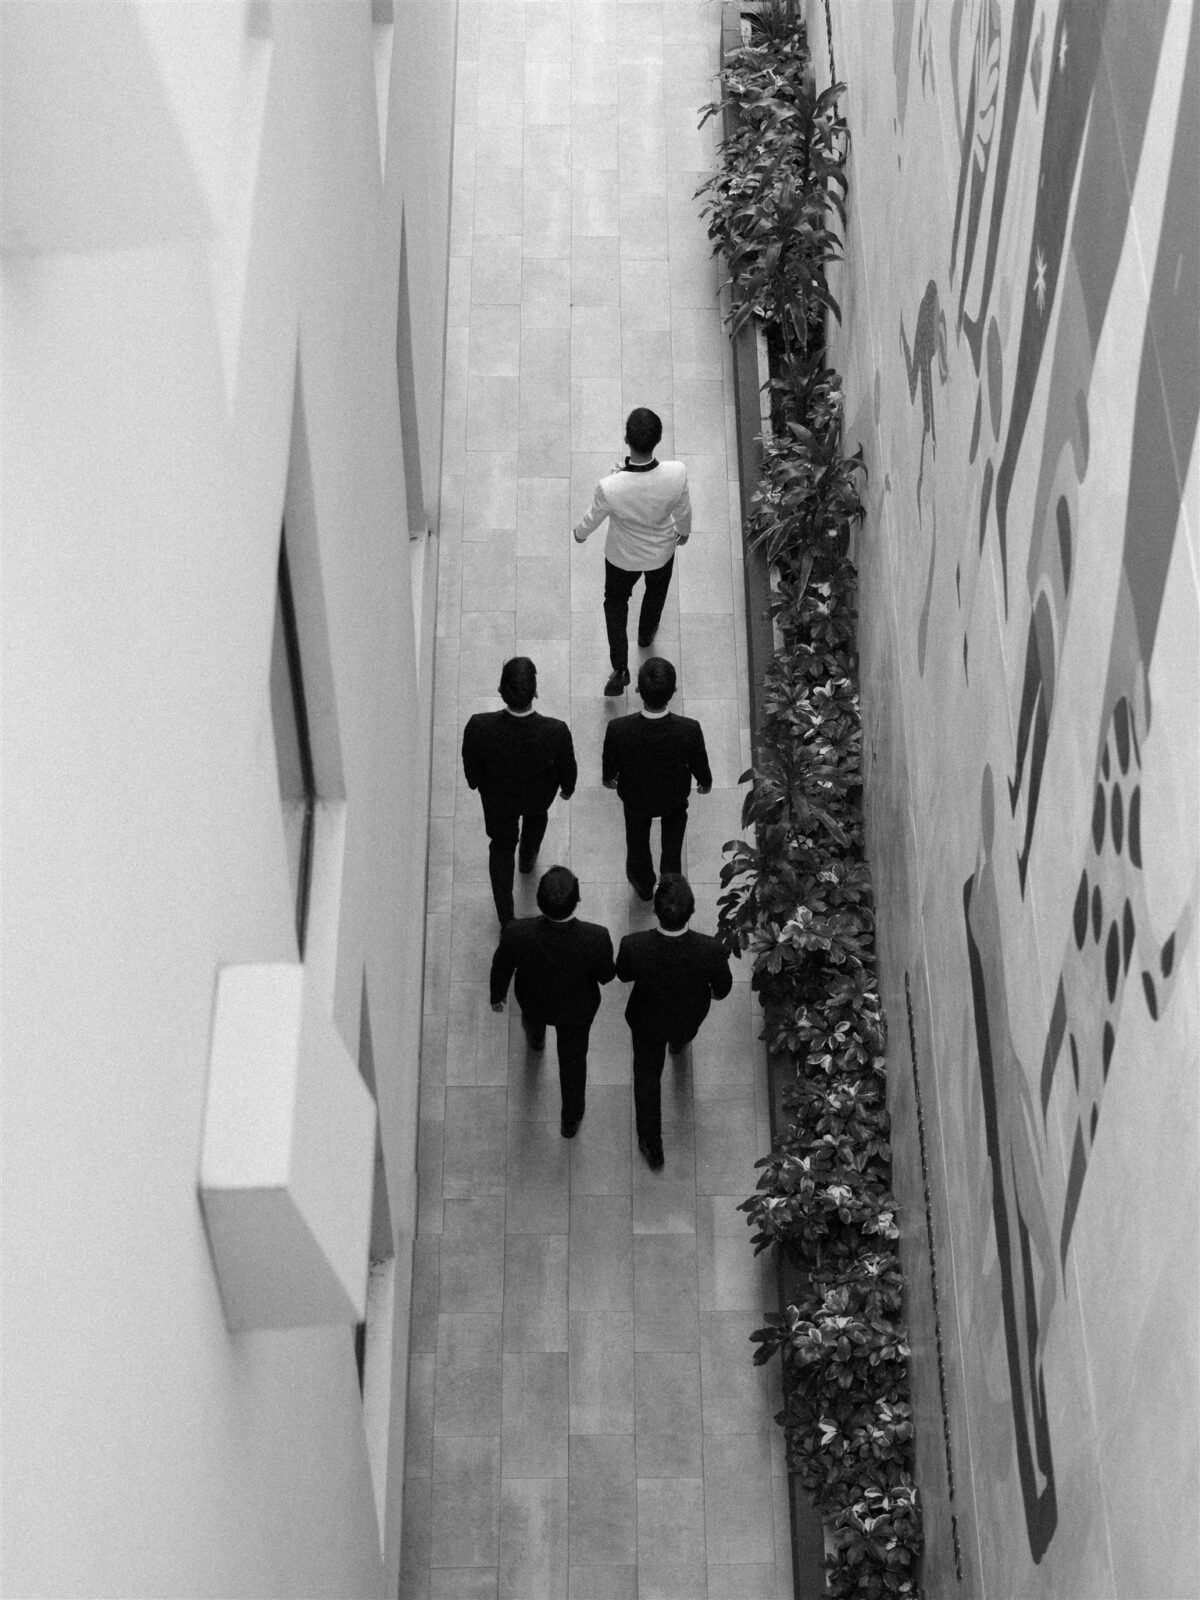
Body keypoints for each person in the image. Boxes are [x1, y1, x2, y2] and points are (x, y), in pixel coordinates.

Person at [572, 406, 692, 696]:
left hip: (621, 558)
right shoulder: (677, 474)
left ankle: (620, 666)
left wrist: (580, 534)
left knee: (615, 603)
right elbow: (683, 509)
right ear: (658, 439)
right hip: (661, 553)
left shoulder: (611, 486)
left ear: (627, 438)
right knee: (655, 593)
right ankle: (645, 636)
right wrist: (684, 532)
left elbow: (593, 517)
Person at [489, 866, 616, 1138]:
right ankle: (570, 1120)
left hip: (534, 1001)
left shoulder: (516, 932)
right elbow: (606, 976)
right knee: (573, 1063)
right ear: (578, 899)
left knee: (532, 1023)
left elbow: (501, 966)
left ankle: (536, 1041)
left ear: (538, 900)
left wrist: (497, 995)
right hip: (577, 1012)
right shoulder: (597, 937)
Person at [616, 874, 733, 1168]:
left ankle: (651, 1143)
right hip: (687, 1018)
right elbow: (722, 989)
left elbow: (624, 974)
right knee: (680, 1037)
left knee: (647, 1076)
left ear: (655, 910)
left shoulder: (634, 945)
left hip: (646, 1022)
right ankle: (678, 1046)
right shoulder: (711, 950)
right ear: (692, 912)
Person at [462, 657, 577, 927]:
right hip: (538, 798)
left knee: (501, 849)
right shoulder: (556, 731)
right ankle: (527, 859)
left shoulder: (479, 726)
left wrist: (476, 783)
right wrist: (567, 789)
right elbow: (567, 766)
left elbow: (472, 768)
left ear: (501, 691)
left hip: (498, 801)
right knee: (536, 823)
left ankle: (507, 919)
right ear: (535, 692)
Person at [601, 657, 711, 901]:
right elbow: (699, 763)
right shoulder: (689, 729)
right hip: (673, 798)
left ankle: (642, 883)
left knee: (637, 841)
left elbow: (610, 766)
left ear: (638, 690)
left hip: (635, 799)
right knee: (672, 843)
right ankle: (670, 884)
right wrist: (705, 782)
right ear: (673, 691)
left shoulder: (619, 729)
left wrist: (608, 779)